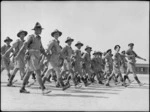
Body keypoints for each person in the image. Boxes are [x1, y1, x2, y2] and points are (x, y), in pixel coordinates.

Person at [15, 22, 51, 94]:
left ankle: (22, 88)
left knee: (28, 72)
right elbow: (24, 45)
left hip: (36, 56)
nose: (41, 31)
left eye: (41, 29)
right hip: (32, 56)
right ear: (36, 30)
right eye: (39, 29)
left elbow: (41, 49)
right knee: (38, 71)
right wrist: (18, 54)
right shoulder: (31, 37)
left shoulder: (39, 38)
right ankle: (43, 89)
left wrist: (46, 55)